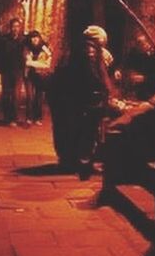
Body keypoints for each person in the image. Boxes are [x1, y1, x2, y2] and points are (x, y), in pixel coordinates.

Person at [49, 25, 126, 179]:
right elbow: (93, 76)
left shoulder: (75, 47)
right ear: (100, 40)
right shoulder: (90, 51)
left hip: (67, 97)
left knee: (73, 129)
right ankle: (84, 164)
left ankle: (69, 161)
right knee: (88, 131)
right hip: (86, 98)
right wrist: (105, 94)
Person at [0, 18, 27, 127]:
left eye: (17, 26)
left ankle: (14, 118)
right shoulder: (4, 40)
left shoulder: (23, 40)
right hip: (6, 70)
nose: (15, 29)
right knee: (6, 94)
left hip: (18, 71)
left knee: (16, 95)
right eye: (14, 26)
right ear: (10, 27)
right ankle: (7, 116)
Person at [120, 32, 155, 100]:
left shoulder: (154, 56)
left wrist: (144, 78)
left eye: (142, 44)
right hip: (134, 91)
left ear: (147, 44)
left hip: (151, 91)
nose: (140, 46)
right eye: (138, 44)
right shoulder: (133, 53)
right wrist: (121, 71)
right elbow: (126, 66)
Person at [23, 31, 52, 126]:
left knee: (39, 97)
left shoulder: (44, 48)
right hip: (29, 76)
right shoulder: (27, 48)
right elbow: (27, 63)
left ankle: (38, 118)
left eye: (37, 37)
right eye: (33, 37)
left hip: (40, 76)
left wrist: (35, 63)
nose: (35, 39)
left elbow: (48, 62)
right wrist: (40, 64)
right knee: (30, 97)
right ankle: (29, 118)